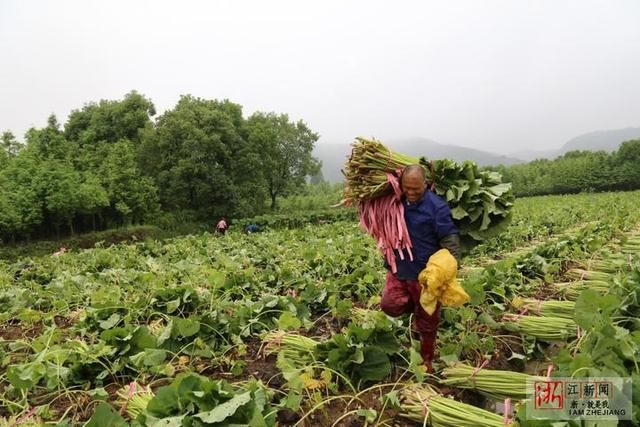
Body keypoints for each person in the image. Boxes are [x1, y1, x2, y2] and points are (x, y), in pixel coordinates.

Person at [380, 164, 460, 373]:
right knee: (390, 304)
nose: (411, 193)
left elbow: (449, 237)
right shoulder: (393, 203)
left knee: (427, 323)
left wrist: (450, 266)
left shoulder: (437, 207)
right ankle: (416, 311)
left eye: (416, 188)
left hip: (425, 275)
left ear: (425, 184)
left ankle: (427, 361)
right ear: (401, 185)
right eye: (407, 188)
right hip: (399, 269)